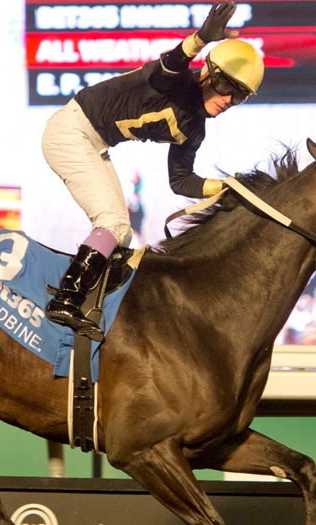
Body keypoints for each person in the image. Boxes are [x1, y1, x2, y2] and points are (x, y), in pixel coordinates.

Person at [41, 0, 264, 340]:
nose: (228, 100)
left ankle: (87, 304)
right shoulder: (175, 82)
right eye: (226, 88)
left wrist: (227, 187)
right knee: (114, 223)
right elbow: (167, 68)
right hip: (70, 132)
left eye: (239, 96)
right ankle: (66, 297)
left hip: (92, 142)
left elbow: (181, 181)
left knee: (123, 233)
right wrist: (201, 38)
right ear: (208, 74)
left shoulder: (195, 128)